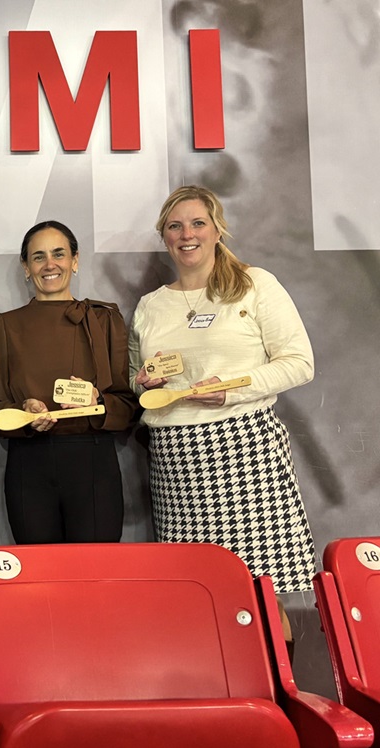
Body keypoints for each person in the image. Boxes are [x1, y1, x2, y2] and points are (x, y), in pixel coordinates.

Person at [129, 185, 315, 594]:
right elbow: (136, 381)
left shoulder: (255, 284)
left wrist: (232, 390)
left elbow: (299, 363)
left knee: (263, 592)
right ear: (164, 236)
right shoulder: (150, 306)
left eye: (198, 223)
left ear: (217, 230)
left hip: (245, 452)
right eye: (175, 226)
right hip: (174, 461)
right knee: (196, 595)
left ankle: (272, 643)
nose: (187, 234)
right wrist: (145, 383)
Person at [0, 220, 138, 543]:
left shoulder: (105, 319)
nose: (49, 264)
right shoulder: (5, 326)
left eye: (59, 254)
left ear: (75, 260)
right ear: (26, 267)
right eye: (38, 257)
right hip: (29, 464)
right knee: (39, 570)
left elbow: (126, 407)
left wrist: (97, 402)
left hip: (94, 462)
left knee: (95, 568)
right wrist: (24, 413)